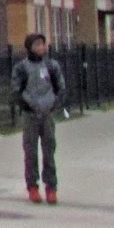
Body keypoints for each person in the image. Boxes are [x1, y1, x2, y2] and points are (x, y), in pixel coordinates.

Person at [11, 32, 66, 204]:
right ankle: (32, 187)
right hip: (30, 115)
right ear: (29, 47)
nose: (40, 48)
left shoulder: (51, 66)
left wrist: (53, 104)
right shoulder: (21, 68)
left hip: (47, 114)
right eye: (36, 45)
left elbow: (60, 87)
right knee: (30, 152)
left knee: (49, 151)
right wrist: (25, 105)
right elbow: (16, 90)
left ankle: (51, 187)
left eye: (42, 44)